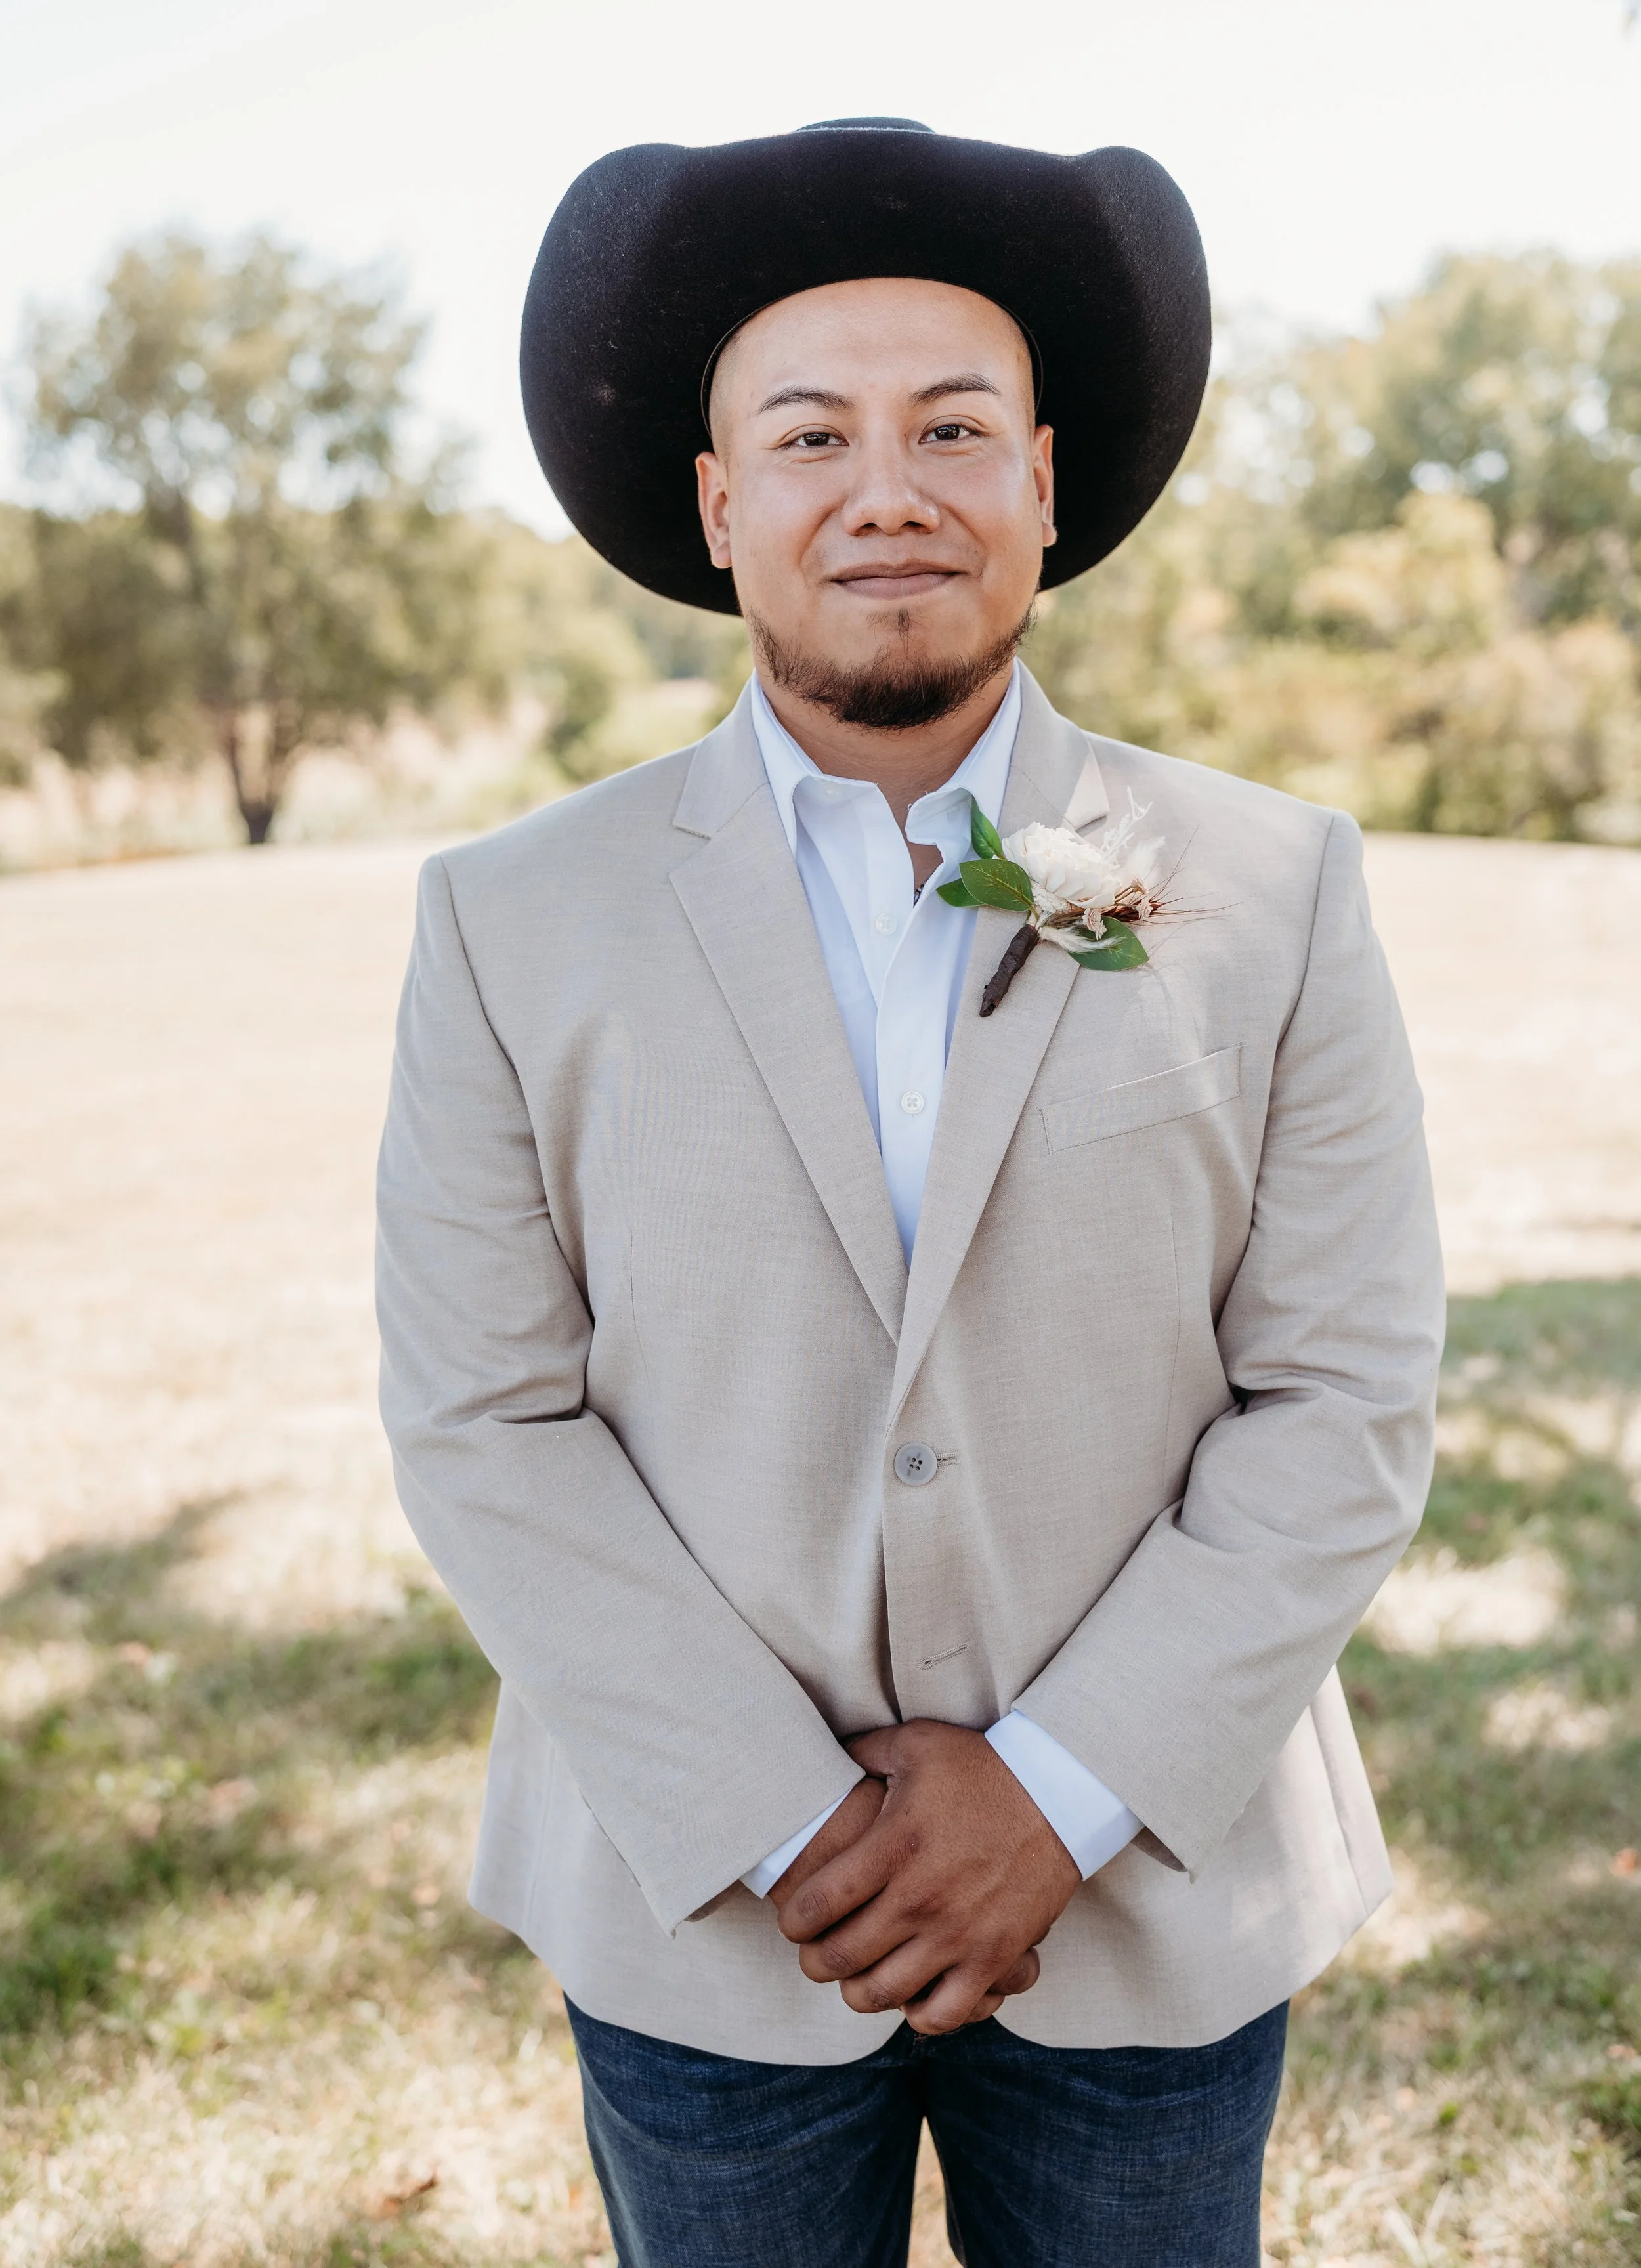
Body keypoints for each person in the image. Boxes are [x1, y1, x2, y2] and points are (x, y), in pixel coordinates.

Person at [375, 118, 1444, 2268]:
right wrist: (790, 1822)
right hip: (706, 1915)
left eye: (953, 426)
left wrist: (1054, 1791)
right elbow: (487, 1423)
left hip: (1148, 1892)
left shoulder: (1273, 886)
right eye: (808, 435)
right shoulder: (511, 918)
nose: (887, 489)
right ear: (716, 503)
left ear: (1042, 484)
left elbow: (1339, 1398)